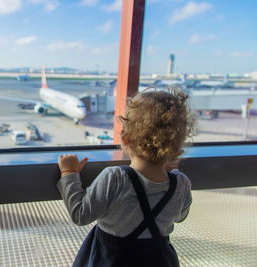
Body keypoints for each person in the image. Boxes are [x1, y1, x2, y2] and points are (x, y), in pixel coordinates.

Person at [57, 88, 195, 267]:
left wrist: (69, 174)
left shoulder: (115, 178)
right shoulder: (181, 183)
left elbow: (80, 215)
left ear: (125, 138)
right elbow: (180, 217)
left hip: (112, 258)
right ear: (176, 147)